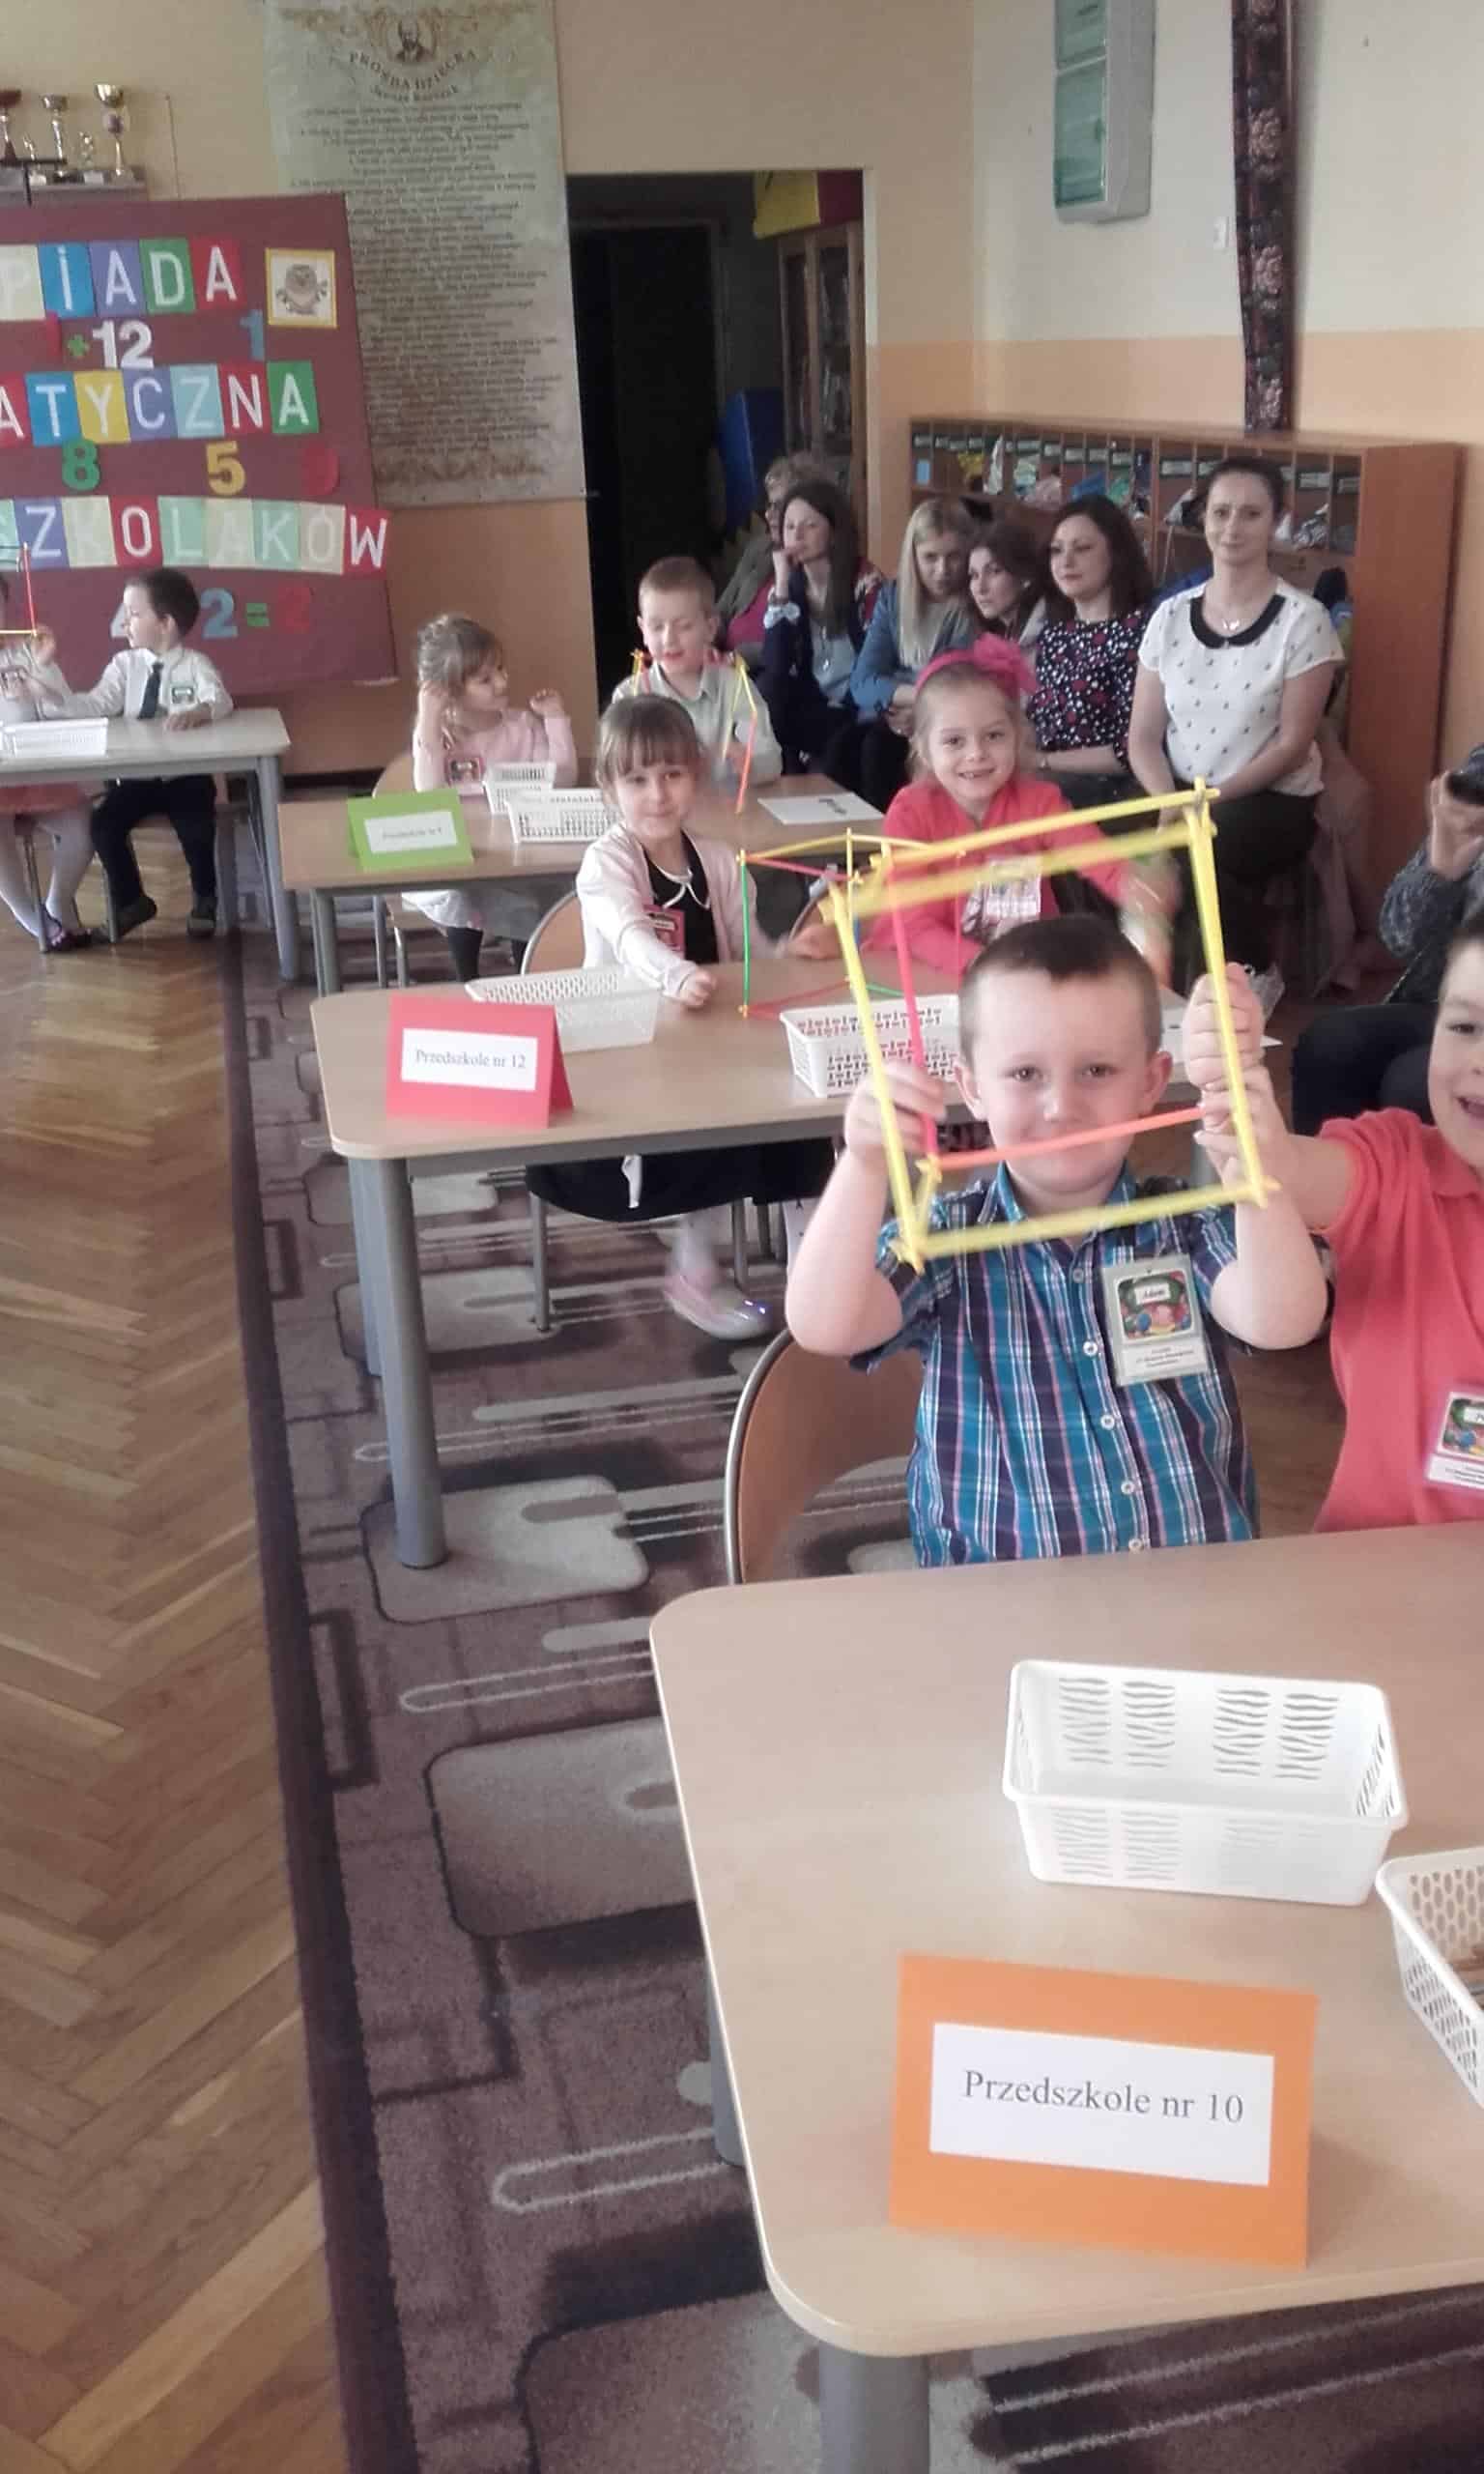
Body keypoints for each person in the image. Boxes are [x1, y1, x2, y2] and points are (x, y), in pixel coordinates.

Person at [785, 914, 1324, 1565]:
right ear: (972, 1088)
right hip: (1004, 1601)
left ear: (1151, 1082)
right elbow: (824, 1324)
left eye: (1096, 1070)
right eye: (1024, 1074)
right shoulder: (947, 1240)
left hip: (1192, 1589)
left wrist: (1258, 1169)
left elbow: (1284, 1320)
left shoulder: (1184, 1225)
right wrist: (863, 1166)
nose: (1061, 1106)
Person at [525, 698, 831, 1340]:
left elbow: (745, 954)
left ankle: (816, 1275)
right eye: (637, 779)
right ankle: (694, 1269)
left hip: (709, 1036)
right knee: (708, 1125)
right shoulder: (607, 862)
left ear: (694, 774)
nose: (657, 794)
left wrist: (787, 953)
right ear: (608, 788)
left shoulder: (717, 860)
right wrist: (677, 975)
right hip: (631, 1049)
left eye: (671, 775)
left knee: (798, 1106)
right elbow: (630, 936)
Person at [1184, 929, 1484, 1534]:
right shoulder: (1395, 1162)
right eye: (1464, 1026)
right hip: (1367, 1568)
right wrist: (1232, 1089)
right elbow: (1282, 1167)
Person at [795, 636, 1158, 976]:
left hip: (1021, 969)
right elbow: (913, 925)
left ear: (1016, 737)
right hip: (924, 968)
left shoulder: (1041, 802)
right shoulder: (910, 812)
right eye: (954, 741)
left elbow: (1101, 862)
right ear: (924, 749)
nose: (976, 754)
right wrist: (982, 964)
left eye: (994, 735)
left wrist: (1141, 892)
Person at [1127, 454, 1341, 1010]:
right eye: (1221, 512)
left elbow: (1292, 745)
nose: (1232, 527)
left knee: (1200, 844)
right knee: (1106, 834)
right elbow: (1142, 736)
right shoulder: (1170, 617)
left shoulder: (1304, 620)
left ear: (1276, 521)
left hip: (1268, 797)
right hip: (1176, 789)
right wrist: (1170, 799)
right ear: (1203, 517)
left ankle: (1250, 971)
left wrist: (1205, 801)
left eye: (1251, 513)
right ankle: (1136, 987)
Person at [34, 567, 231, 941]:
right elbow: (94, 705)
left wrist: (199, 712)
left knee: (196, 828)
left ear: (165, 624)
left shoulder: (195, 664)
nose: (125, 623)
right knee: (104, 825)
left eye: (135, 614)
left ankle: (205, 899)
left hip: (186, 777)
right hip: (138, 781)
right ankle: (132, 901)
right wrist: (53, 693)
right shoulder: (125, 665)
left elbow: (220, 699)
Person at [1290, 754, 1484, 1132]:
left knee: (1411, 1082)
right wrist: (1440, 872)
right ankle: (1326, 1171)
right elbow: (1399, 937)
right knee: (1330, 1045)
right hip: (1458, 1007)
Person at [402, 613, 577, 981]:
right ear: (451, 691)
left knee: (531, 898)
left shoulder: (522, 727)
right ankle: (466, 979)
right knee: (460, 894)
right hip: (466, 858)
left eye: (500, 669)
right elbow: (428, 794)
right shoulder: (441, 737)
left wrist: (555, 720)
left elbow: (561, 782)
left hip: (518, 855)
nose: (502, 681)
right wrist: (429, 721)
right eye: (485, 679)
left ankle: (527, 979)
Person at [842, 497, 978, 810]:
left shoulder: (974, 605)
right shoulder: (893, 598)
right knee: (844, 746)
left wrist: (914, 703)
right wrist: (920, 696)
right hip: (895, 717)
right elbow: (862, 682)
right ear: (913, 556)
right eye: (930, 557)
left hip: (948, 722)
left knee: (878, 749)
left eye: (953, 557)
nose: (942, 570)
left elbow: (956, 684)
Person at [610, 557, 783, 792]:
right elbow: (616, 771)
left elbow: (772, 760)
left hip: (722, 810)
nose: (669, 639)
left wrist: (749, 764)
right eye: (657, 627)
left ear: (710, 628)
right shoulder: (628, 695)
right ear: (643, 631)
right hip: (656, 810)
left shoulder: (735, 687)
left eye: (684, 626)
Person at [1027, 495, 1153, 816]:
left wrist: (1041, 761)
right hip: (1046, 773)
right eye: (1057, 550)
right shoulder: (1055, 634)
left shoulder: (1140, 631)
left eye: (1082, 548)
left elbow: (1127, 752)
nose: (1066, 561)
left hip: (1108, 787)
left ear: (1116, 554)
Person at [757, 476, 883, 770]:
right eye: (789, 527)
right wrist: (782, 586)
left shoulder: (865, 582)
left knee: (839, 748)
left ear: (834, 531)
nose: (797, 535)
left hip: (857, 708)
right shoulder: (788, 587)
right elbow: (775, 665)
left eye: (810, 525)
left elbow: (877, 661)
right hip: (815, 705)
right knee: (768, 690)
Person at [0, 576, 96, 952]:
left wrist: (42, 673)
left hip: (37, 770)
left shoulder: (27, 651)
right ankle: (31, 916)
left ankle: (58, 901)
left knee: (83, 827)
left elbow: (65, 711)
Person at [717, 452, 822, 666]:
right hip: (724, 668)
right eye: (769, 505)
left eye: (779, 506)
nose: (768, 514)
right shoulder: (760, 549)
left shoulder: (818, 564)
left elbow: (806, 648)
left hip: (764, 672)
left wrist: (738, 657)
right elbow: (721, 611)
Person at [968, 518, 1043, 647]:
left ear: (1025, 576)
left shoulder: (1045, 634)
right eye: (974, 575)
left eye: (994, 571)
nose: (981, 588)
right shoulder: (1008, 633)